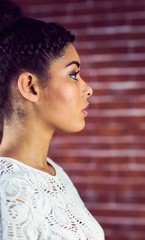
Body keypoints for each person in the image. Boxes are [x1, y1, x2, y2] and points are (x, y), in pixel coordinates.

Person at [0, 0, 105, 239]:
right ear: (30, 86)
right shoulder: (9, 189)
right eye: (74, 74)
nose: (88, 89)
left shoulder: (53, 172)